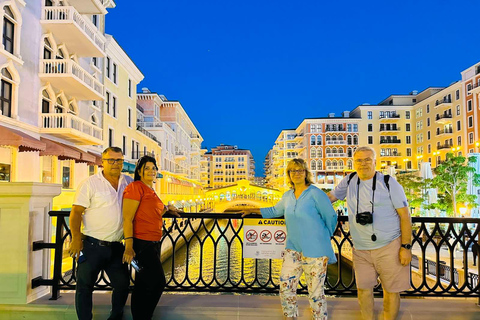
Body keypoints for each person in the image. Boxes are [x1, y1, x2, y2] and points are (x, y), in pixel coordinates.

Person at [243, 158, 337, 320]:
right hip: (293, 248)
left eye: (300, 170)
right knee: (286, 286)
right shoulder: (287, 196)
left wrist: (324, 235)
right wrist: (252, 209)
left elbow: (331, 217)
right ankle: (290, 316)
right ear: (289, 174)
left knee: (315, 292)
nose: (297, 173)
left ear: (306, 173)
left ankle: (319, 318)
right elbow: (274, 210)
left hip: (316, 250)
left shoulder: (316, 193)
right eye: (293, 171)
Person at [328, 146, 412, 320]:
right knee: (363, 290)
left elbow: (405, 215)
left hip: (389, 246)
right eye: (359, 160)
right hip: (361, 249)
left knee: (391, 291)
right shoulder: (349, 180)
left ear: (375, 162)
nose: (363, 163)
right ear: (354, 163)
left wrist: (405, 247)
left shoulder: (389, 182)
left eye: (367, 159)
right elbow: (329, 198)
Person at [68, 147, 132, 320]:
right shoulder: (90, 183)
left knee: (122, 284)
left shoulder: (129, 182)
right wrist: (76, 238)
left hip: (117, 247)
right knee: (84, 287)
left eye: (119, 160)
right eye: (111, 160)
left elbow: (143, 201)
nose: (115, 164)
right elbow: (76, 213)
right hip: (92, 245)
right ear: (102, 162)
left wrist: (165, 208)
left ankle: (115, 317)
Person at [122, 155, 182, 320]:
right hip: (142, 243)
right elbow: (127, 218)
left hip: (154, 242)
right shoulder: (135, 187)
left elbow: (154, 211)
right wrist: (129, 246)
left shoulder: (150, 190)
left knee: (143, 283)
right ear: (139, 171)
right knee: (157, 282)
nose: (151, 171)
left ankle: (141, 316)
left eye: (153, 168)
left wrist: (168, 209)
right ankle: (143, 316)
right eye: (147, 168)